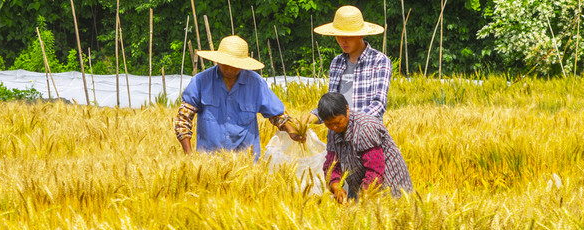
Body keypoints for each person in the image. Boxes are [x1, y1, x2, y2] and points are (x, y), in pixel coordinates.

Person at [174, 35, 303, 161]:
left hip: (247, 163)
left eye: (235, 66)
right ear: (218, 60)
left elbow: (277, 115)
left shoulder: (255, 83)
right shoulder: (201, 82)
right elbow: (183, 120)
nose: (230, 69)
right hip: (209, 164)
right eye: (225, 65)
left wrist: (291, 129)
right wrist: (189, 157)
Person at [319, 92, 412, 203]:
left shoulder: (365, 128)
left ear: (347, 109)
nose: (334, 127)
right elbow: (331, 163)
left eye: (337, 122)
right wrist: (335, 185)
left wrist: (365, 197)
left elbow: (375, 170)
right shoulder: (332, 132)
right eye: (328, 124)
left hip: (389, 185)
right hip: (362, 187)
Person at [307, 5, 392, 123]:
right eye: (338, 36)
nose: (342, 41)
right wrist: (309, 118)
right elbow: (332, 105)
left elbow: (378, 104)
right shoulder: (336, 63)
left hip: (366, 134)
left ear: (361, 34)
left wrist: (350, 122)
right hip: (337, 135)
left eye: (348, 36)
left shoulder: (379, 61)